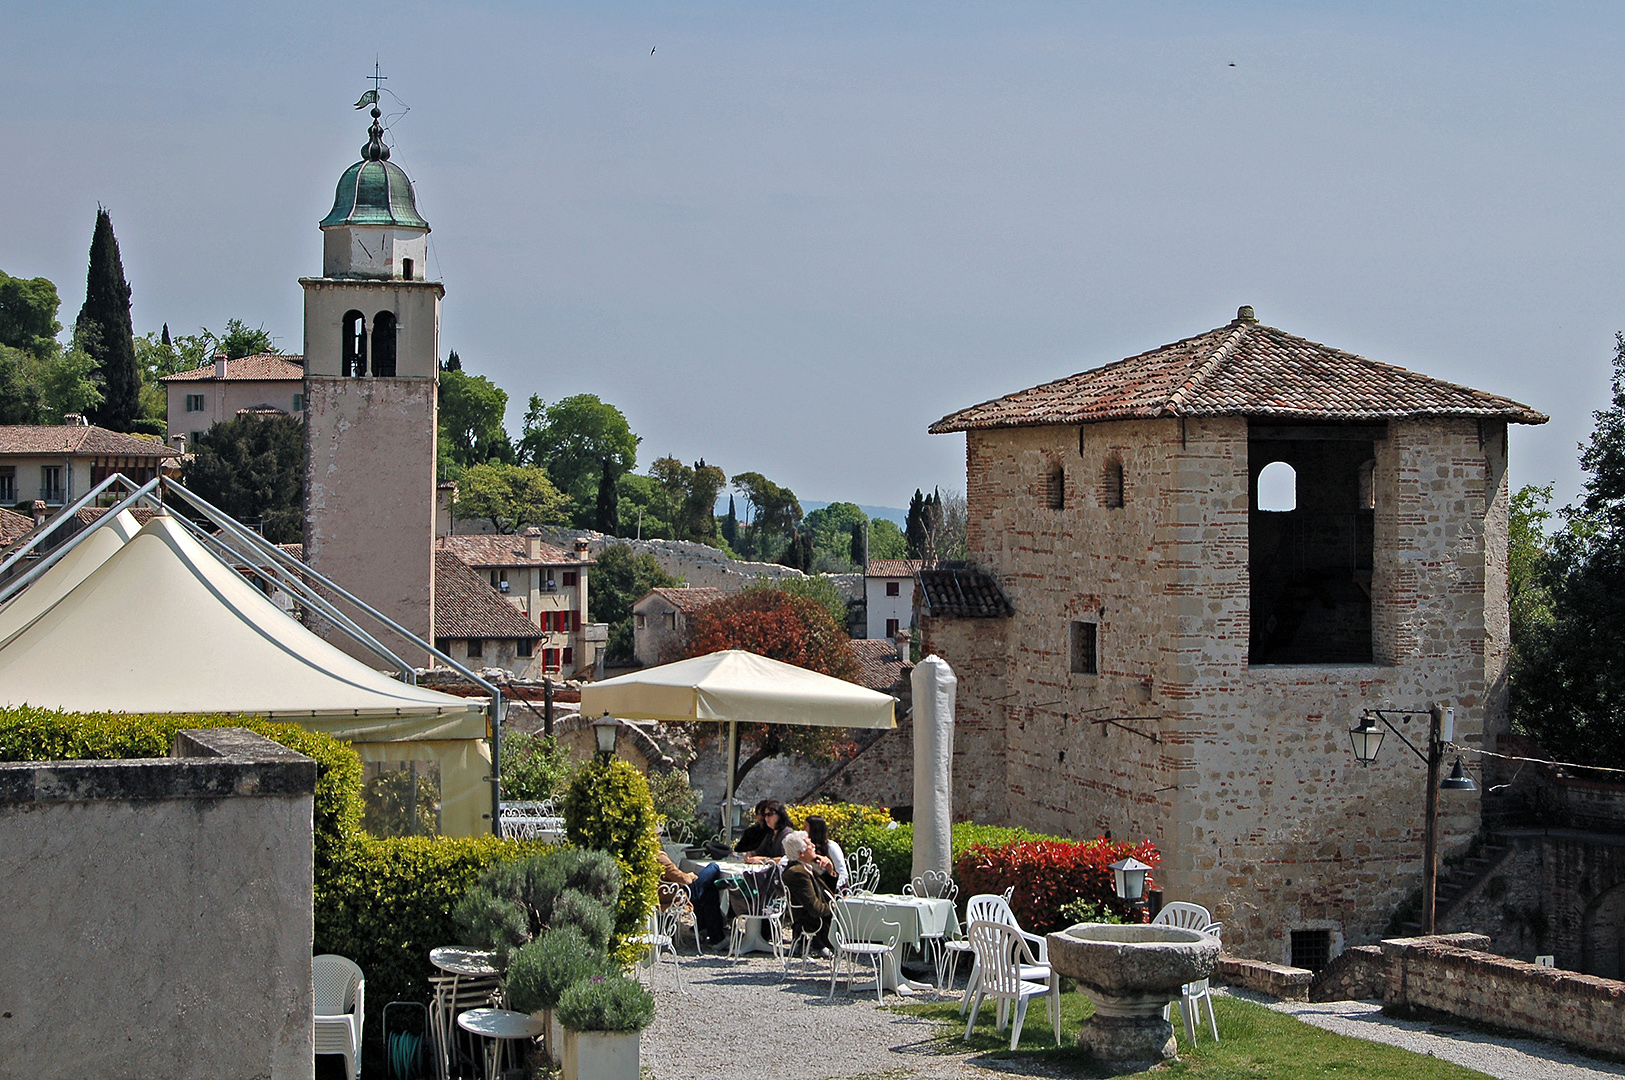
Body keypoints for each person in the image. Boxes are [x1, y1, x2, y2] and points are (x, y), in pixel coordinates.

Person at [780, 830, 838, 954]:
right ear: (801, 853)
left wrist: (830, 871)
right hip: (816, 923)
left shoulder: (805, 868)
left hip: (823, 918)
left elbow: (826, 893)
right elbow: (815, 908)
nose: (814, 846)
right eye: (809, 845)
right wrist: (838, 908)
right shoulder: (798, 873)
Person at [806, 815, 848, 890]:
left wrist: (834, 886)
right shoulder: (806, 848)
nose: (802, 830)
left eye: (805, 827)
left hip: (833, 889)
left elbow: (842, 873)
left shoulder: (831, 847)